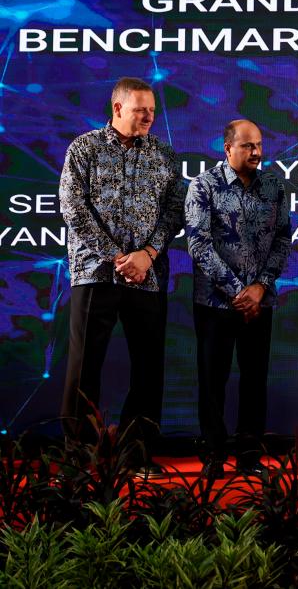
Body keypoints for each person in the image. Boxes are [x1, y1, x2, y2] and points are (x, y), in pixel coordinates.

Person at [58, 76, 185, 474]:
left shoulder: (164, 155)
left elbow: (174, 212)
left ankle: (137, 455)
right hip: (95, 274)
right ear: (117, 109)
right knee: (83, 368)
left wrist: (146, 255)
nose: (148, 116)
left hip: (147, 278)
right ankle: (77, 458)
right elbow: (73, 210)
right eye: (140, 109)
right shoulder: (84, 148)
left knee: (148, 368)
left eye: (152, 110)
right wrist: (118, 257)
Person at [185, 119, 291, 479]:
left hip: (260, 303)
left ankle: (249, 454)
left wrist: (260, 287)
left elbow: (282, 240)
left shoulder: (274, 186)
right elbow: (198, 244)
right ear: (227, 148)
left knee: (254, 379)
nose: (257, 152)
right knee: (212, 380)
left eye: (259, 145)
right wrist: (236, 291)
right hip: (215, 304)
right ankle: (214, 454)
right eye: (248, 146)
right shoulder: (204, 186)